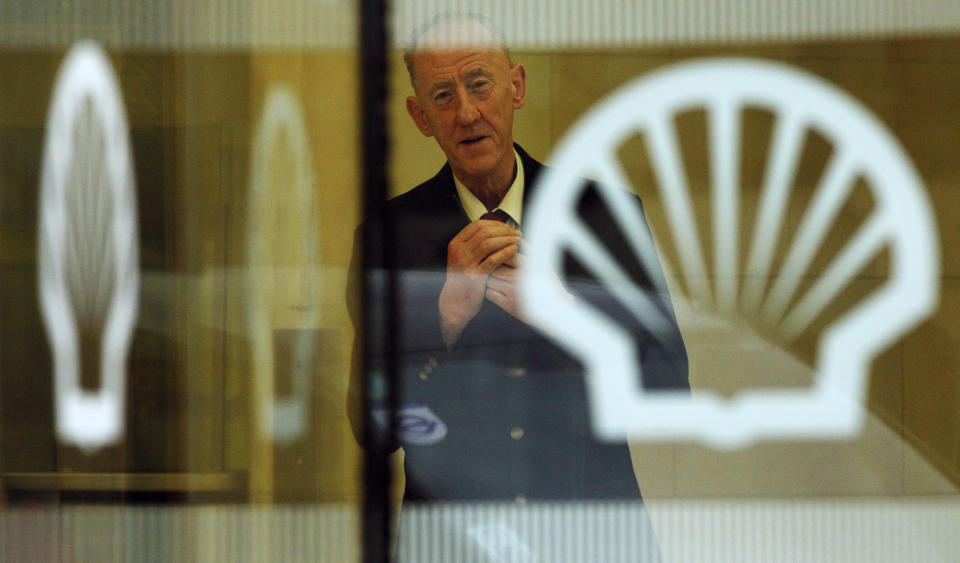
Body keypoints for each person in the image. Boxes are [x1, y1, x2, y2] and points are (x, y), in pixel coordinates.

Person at [348, 12, 688, 552]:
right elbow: (373, 429)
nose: (466, 112)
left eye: (479, 84)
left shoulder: (605, 216)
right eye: (442, 95)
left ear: (517, 86)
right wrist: (442, 320)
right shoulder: (388, 237)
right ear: (419, 116)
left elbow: (670, 394)